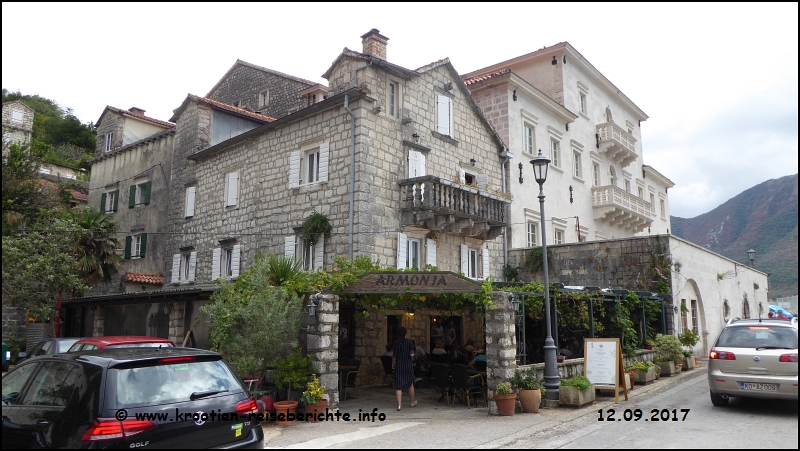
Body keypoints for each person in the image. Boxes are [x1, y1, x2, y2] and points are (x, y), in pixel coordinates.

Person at [392, 327, 417, 410]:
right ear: (405, 333)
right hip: (407, 364)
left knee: (398, 384)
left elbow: (394, 355)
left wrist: (393, 363)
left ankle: (399, 405)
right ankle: (412, 402)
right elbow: (412, 354)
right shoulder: (409, 342)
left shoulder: (396, 342)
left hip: (399, 364)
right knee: (410, 383)